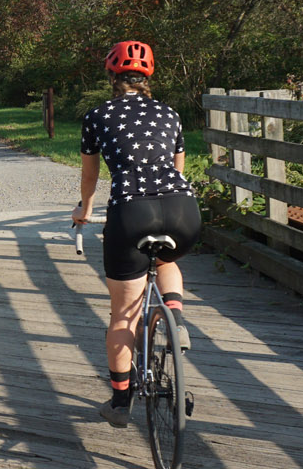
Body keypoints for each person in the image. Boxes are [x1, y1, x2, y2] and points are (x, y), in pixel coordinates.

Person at [71, 40, 202, 427]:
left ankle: (120, 401)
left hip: (131, 211)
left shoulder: (96, 116)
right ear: (148, 77)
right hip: (182, 209)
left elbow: (90, 174)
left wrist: (86, 209)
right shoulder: (171, 114)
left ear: (112, 76)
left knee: (123, 316)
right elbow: (178, 170)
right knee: (167, 259)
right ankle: (175, 317)